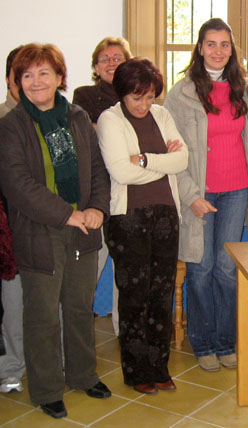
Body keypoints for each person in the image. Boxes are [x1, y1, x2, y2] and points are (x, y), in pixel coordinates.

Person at [0, 43, 111, 419]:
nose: (35, 81)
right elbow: (18, 185)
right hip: (39, 232)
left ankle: (82, 374)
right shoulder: (11, 126)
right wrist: (69, 214)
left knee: (79, 308)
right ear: (16, 84)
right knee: (42, 316)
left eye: (43, 73)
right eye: (26, 75)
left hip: (83, 229)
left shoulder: (78, 117)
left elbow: (97, 168)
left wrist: (96, 207)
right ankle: (47, 388)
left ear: (60, 77)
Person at [164, 18, 248, 373]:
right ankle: (203, 343)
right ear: (200, 48)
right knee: (200, 267)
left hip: (237, 190)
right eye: (211, 44)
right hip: (199, 193)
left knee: (225, 269)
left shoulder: (244, 88)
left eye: (225, 44)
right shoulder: (182, 93)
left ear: (232, 49)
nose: (218, 51)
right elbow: (172, 151)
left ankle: (226, 342)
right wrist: (191, 195)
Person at [98, 58, 188, 393]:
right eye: (137, 97)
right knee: (134, 297)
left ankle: (159, 366)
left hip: (166, 215)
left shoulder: (163, 115)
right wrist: (163, 162)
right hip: (128, 219)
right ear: (123, 93)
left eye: (149, 96)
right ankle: (137, 371)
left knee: (162, 294)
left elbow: (182, 160)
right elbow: (121, 172)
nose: (144, 104)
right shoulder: (110, 119)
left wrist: (147, 160)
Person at [73, 37, 132, 336]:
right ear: (96, 66)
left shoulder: (137, 95)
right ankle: (74, 333)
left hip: (128, 193)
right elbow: (85, 134)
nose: (111, 62)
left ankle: (124, 332)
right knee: (90, 267)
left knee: (124, 269)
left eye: (117, 57)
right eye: (105, 58)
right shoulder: (83, 95)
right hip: (95, 192)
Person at [0, 46, 25, 395]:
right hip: (9, 228)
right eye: (22, 74)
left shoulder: (56, 119)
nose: (29, 81)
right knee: (13, 304)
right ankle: (11, 369)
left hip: (49, 225)